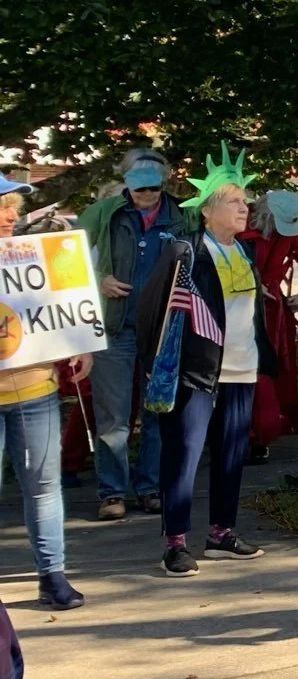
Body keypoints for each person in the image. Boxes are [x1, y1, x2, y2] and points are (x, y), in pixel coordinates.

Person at [134, 164, 278, 576]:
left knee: (232, 456)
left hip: (241, 369)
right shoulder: (186, 251)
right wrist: (152, 363)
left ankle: (221, 534)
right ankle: (175, 543)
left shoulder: (244, 252)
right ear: (207, 211)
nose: (243, 208)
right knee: (184, 456)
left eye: (244, 201)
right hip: (196, 373)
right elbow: (152, 308)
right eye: (233, 201)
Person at [78, 147, 187, 520]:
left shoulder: (180, 217)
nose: (146, 196)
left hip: (161, 328)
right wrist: (98, 279)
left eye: (154, 189)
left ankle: (151, 486)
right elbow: (65, 258)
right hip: (114, 326)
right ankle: (112, 492)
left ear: (165, 182)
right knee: (113, 415)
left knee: (157, 409)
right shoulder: (101, 213)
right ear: (125, 181)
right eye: (139, 188)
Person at [0, 178, 90, 609]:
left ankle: (53, 576)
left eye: (13, 206)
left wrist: (78, 343)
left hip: (35, 389)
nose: (12, 215)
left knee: (43, 487)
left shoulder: (36, 256)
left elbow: (65, 308)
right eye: (2, 206)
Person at [243, 190, 298, 463]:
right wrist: (251, 283)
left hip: (273, 311)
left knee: (273, 368)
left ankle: (265, 428)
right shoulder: (241, 221)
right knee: (246, 369)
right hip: (239, 306)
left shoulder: (290, 233)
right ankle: (248, 431)